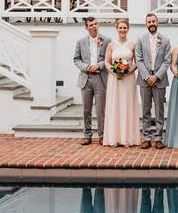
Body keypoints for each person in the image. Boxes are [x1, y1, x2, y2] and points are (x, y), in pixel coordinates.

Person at [135, 12, 171, 149]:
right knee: (145, 109)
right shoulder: (140, 40)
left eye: (153, 21)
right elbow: (138, 60)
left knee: (159, 109)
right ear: (146, 24)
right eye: (149, 22)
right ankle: (146, 137)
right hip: (144, 80)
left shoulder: (165, 40)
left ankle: (158, 138)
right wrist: (146, 76)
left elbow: (167, 61)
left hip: (159, 80)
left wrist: (156, 76)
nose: (151, 24)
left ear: (157, 23)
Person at [102, 18, 139, 147]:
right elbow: (106, 62)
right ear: (116, 29)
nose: (122, 30)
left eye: (125, 28)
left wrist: (127, 72)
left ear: (128, 29)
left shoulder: (132, 44)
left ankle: (127, 138)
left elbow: (136, 63)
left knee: (127, 104)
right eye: (120, 28)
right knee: (115, 105)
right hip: (114, 79)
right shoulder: (111, 45)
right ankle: (114, 137)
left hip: (128, 79)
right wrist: (114, 71)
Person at [73, 17, 110, 145]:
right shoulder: (80, 41)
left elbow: (108, 59)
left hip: (100, 77)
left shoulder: (106, 40)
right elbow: (76, 59)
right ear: (86, 27)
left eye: (95, 24)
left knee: (101, 109)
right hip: (86, 78)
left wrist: (98, 65)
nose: (94, 26)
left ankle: (102, 135)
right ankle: (87, 134)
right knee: (86, 109)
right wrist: (86, 67)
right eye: (91, 25)